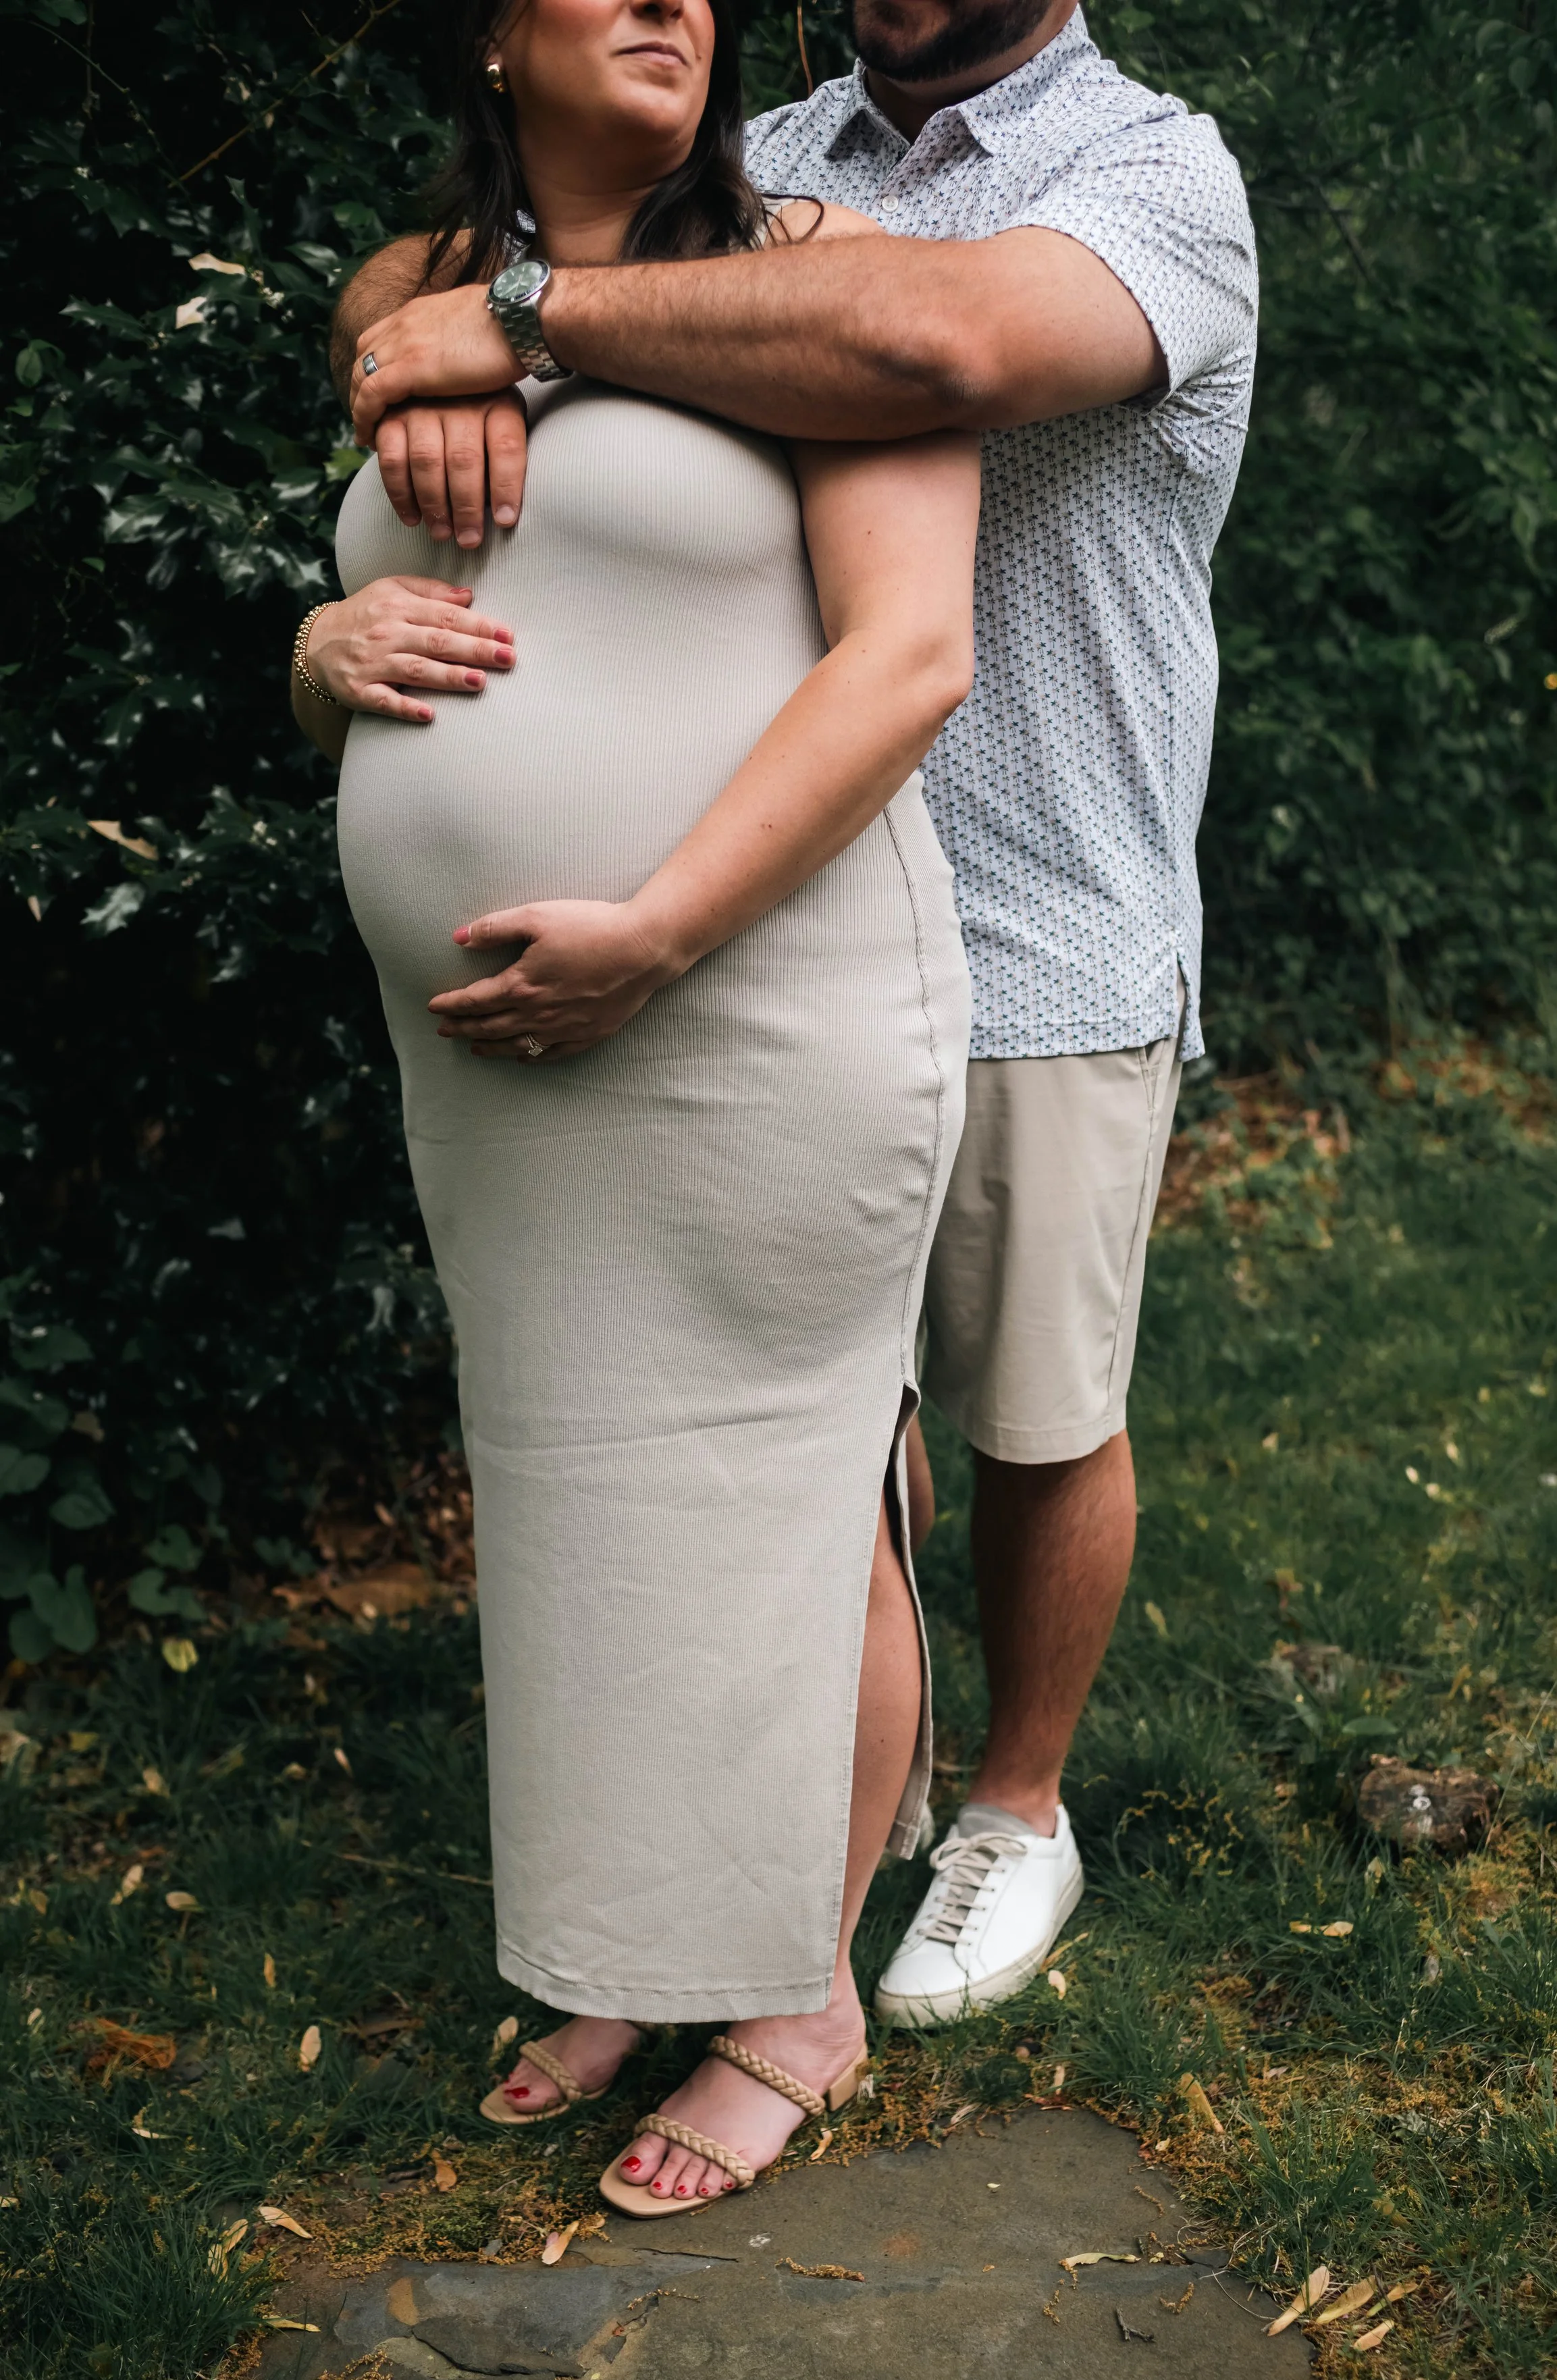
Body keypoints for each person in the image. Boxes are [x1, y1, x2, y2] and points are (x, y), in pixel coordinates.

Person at [337, 0, 1257, 2029]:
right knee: (824, 1461)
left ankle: (1011, 1803)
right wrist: (425, 346)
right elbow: (457, 286)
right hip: (778, 913)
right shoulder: (778, 160)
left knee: (1031, 1409)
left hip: (1040, 897)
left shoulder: (1152, 171)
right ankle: (825, 1831)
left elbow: (920, 345)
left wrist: (508, 315)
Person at [294, 0, 979, 2209]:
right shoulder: (397, 298)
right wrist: (315, 658)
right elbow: (392, 613)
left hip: (766, 983)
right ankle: (632, 1940)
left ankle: (794, 1996)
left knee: (789, 1490)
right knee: (574, 1457)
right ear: (494, 38)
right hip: (499, 1061)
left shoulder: (817, 264)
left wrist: (660, 925)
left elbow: (908, 656)